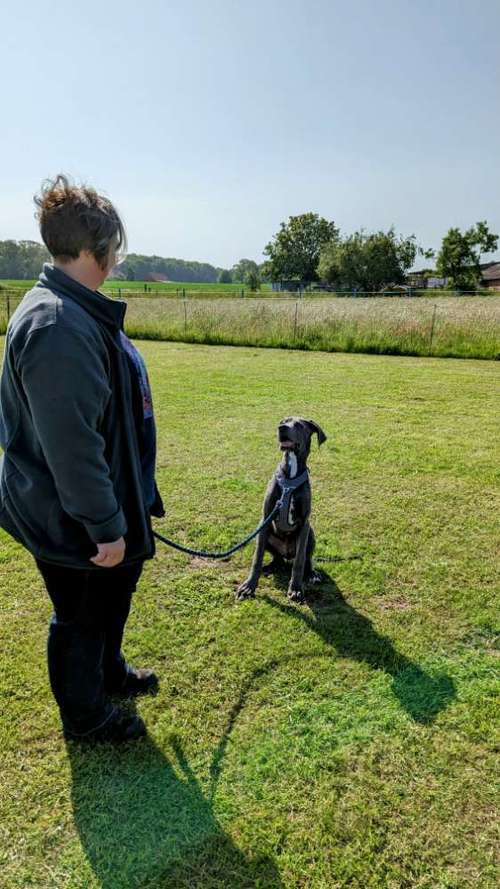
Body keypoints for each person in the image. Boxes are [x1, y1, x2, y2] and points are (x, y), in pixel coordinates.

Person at [0, 174, 166, 743]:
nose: (118, 256)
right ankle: (87, 717)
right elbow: (71, 446)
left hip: (103, 502)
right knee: (81, 613)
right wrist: (104, 524)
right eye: (114, 245)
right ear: (97, 248)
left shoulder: (74, 307)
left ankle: (108, 673)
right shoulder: (57, 324)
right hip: (69, 514)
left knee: (112, 598)